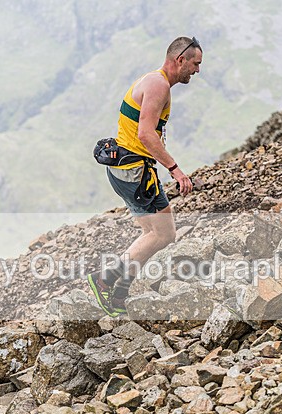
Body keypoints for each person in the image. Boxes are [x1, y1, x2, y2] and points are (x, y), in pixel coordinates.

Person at [88, 36, 202, 316]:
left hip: (125, 170)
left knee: (150, 233)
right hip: (135, 171)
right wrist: (175, 169)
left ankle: (118, 298)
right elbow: (145, 134)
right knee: (164, 234)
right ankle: (105, 280)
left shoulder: (155, 81)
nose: (197, 70)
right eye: (195, 64)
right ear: (180, 60)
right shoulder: (158, 85)